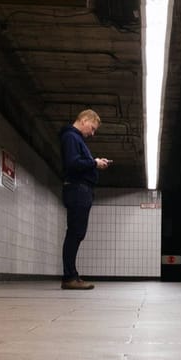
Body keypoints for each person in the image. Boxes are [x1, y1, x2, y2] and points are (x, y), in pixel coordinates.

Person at [59, 109, 111, 290]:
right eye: (92, 127)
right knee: (75, 233)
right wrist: (94, 163)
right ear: (83, 120)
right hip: (77, 189)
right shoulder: (71, 137)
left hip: (81, 189)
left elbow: (78, 162)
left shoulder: (75, 138)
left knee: (77, 233)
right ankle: (69, 277)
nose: (92, 133)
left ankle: (71, 275)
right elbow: (73, 164)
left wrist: (94, 161)